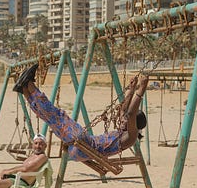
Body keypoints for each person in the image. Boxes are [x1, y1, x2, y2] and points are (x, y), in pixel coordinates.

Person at [12, 63, 148, 161]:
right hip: (81, 148)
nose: (123, 119)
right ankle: (24, 89)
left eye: (127, 120)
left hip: (86, 146)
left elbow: (130, 114)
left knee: (57, 115)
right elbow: (125, 111)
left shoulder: (131, 135)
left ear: (135, 124)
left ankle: (29, 84)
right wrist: (131, 89)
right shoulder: (124, 131)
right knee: (51, 119)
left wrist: (141, 90)